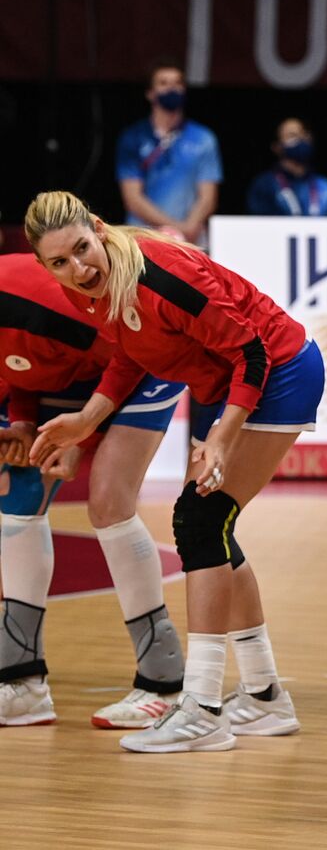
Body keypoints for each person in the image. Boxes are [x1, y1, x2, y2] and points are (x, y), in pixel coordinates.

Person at [24, 190, 323, 753]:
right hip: (239, 383)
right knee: (212, 529)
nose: (77, 268)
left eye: (81, 249)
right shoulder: (96, 290)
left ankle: (203, 708)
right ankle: (262, 698)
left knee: (202, 522)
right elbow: (134, 351)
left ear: (97, 227)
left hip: (280, 372)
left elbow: (251, 352)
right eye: (59, 263)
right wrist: (88, 418)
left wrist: (219, 437)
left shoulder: (160, 274)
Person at [0, 252, 189, 728]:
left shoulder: (41, 305)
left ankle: (163, 684)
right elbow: (20, 365)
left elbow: (131, 356)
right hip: (74, 364)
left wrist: (86, 437)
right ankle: (22, 682)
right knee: (18, 494)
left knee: (108, 501)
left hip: (143, 354)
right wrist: (23, 424)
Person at [115, 59, 222, 248]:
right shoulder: (133, 138)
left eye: (177, 83)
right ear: (150, 93)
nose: (172, 89)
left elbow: (208, 196)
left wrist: (187, 228)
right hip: (142, 240)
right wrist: (174, 228)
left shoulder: (204, 138)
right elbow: (132, 198)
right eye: (163, 83)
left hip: (191, 240)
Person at [246, 118, 327, 217]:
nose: (300, 139)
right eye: (292, 135)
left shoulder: (324, 185)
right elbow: (258, 225)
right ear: (277, 147)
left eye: (303, 133)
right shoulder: (264, 184)